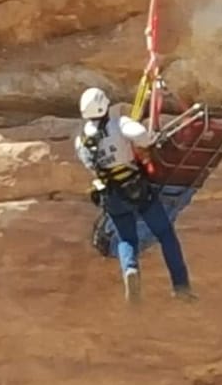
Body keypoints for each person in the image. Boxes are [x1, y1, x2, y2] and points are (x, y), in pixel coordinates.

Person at [74, 87, 196, 303]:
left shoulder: (81, 140)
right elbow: (141, 136)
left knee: (127, 238)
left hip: (111, 196)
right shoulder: (118, 124)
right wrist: (148, 140)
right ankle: (181, 285)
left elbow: (91, 164)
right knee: (165, 234)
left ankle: (130, 269)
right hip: (136, 188)